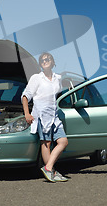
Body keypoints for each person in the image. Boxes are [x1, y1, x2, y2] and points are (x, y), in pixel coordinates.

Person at [21, 52, 69, 182]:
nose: (45, 61)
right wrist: (27, 113)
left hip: (54, 116)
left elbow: (61, 91)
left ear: (53, 62)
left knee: (63, 141)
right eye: (42, 60)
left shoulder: (57, 78)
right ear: (40, 64)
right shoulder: (36, 78)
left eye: (48, 59)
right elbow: (25, 96)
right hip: (41, 115)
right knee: (46, 143)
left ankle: (48, 168)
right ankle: (51, 171)